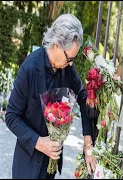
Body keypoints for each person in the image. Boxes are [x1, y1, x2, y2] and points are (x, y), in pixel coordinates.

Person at [5, 14, 96, 179]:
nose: (71, 64)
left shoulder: (67, 69)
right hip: (27, 165)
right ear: (56, 44)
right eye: (70, 58)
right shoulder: (30, 69)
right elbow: (11, 116)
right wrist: (39, 142)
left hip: (50, 167)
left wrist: (87, 142)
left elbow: (83, 97)